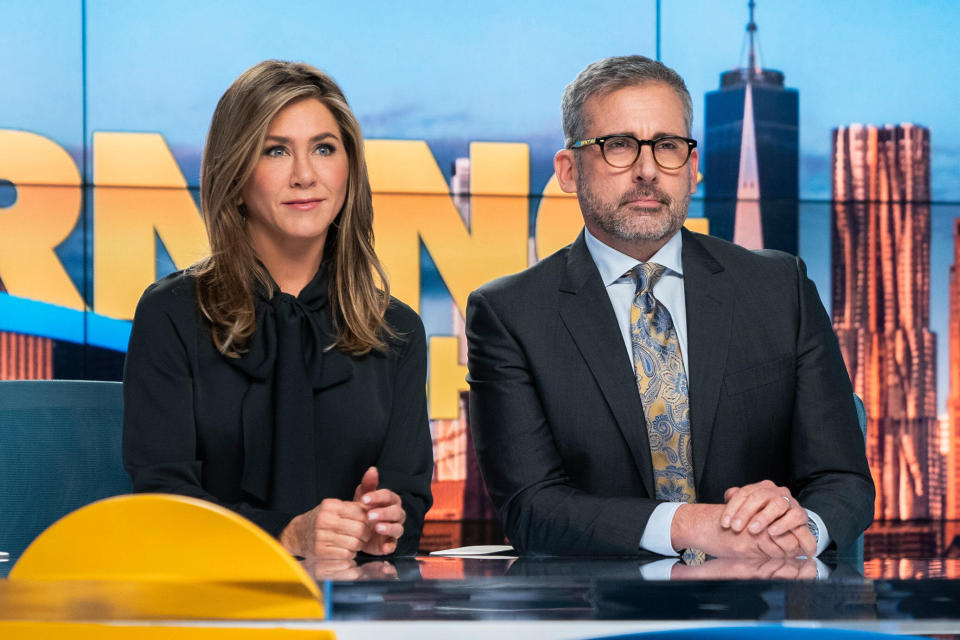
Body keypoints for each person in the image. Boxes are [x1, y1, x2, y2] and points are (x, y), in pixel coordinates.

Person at [466, 55, 873, 558]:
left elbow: (842, 479)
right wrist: (689, 525)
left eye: (668, 146)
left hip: (762, 613)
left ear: (693, 168)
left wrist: (801, 528)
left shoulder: (779, 287)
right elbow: (532, 509)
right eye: (617, 146)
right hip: (597, 616)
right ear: (569, 171)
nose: (647, 170)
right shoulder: (509, 314)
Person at [123, 60, 433, 558]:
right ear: (235, 173)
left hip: (352, 614)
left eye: (324, 149)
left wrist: (382, 526)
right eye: (276, 151)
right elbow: (163, 504)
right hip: (210, 611)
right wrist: (286, 537)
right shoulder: (172, 314)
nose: (305, 175)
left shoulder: (396, 331)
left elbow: (408, 506)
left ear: (349, 170)